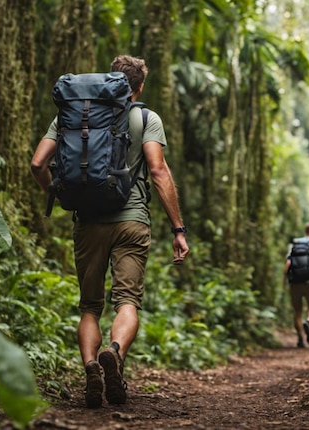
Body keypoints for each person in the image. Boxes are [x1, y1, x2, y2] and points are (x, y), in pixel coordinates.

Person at [31, 55, 189, 408]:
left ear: (109, 80)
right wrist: (178, 228)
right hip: (132, 219)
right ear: (139, 86)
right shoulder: (147, 118)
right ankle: (114, 354)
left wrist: (61, 196)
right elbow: (158, 172)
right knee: (127, 302)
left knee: (90, 306)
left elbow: (38, 163)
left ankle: (90, 367)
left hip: (87, 220)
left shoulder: (74, 115)